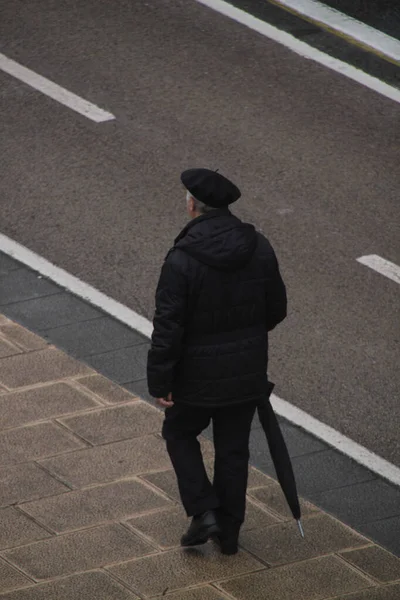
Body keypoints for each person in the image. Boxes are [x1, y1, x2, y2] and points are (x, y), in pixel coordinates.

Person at [147, 168, 287, 554]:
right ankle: (229, 532)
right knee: (233, 449)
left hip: (194, 377)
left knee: (179, 433)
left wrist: (160, 381)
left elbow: (168, 327)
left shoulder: (181, 259)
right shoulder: (258, 246)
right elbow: (277, 308)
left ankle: (203, 510)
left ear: (193, 205)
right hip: (246, 373)